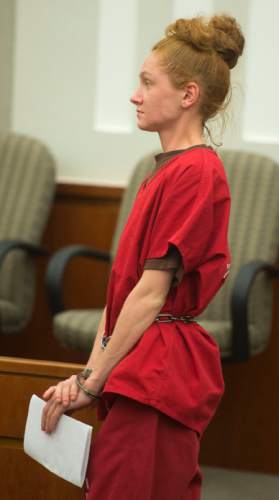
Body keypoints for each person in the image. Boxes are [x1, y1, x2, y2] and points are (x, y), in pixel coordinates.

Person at [41, 13, 245, 499]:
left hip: (158, 371)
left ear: (188, 95)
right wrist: (86, 378)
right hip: (135, 361)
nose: (135, 94)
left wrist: (92, 382)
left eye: (147, 83)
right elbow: (123, 298)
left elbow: (150, 297)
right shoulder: (164, 170)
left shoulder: (196, 173)